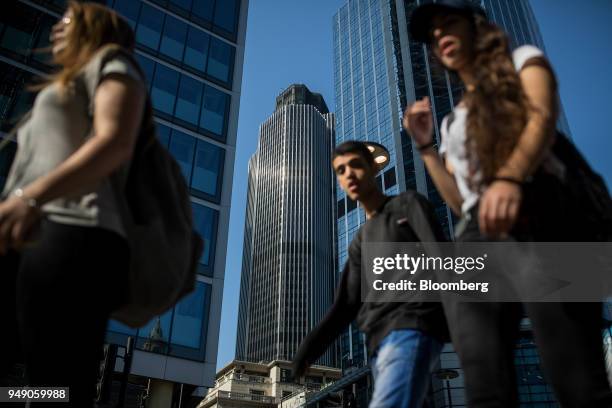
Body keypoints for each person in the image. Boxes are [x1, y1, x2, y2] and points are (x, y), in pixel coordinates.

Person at [403, 0, 612, 406]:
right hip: (479, 239)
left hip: (544, 214)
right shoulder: (452, 120)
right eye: (433, 35)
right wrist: (426, 146)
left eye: (449, 24)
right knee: (483, 380)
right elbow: (462, 202)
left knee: (575, 373)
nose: (440, 36)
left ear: (476, 28)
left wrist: (510, 177)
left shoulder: (523, 61)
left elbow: (542, 116)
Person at [0, 2, 145, 406]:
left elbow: (114, 141)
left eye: (65, 22)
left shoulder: (112, 62)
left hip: (72, 233)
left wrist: (29, 199)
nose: (53, 30)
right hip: (27, 235)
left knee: (58, 381)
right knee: (36, 377)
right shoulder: (67, 82)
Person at [292, 141, 448, 408]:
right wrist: (308, 348)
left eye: (355, 164)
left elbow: (443, 259)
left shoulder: (408, 205)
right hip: (378, 347)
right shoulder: (360, 240)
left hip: (413, 327)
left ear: (372, 168)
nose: (348, 174)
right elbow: (345, 306)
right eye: (341, 170)